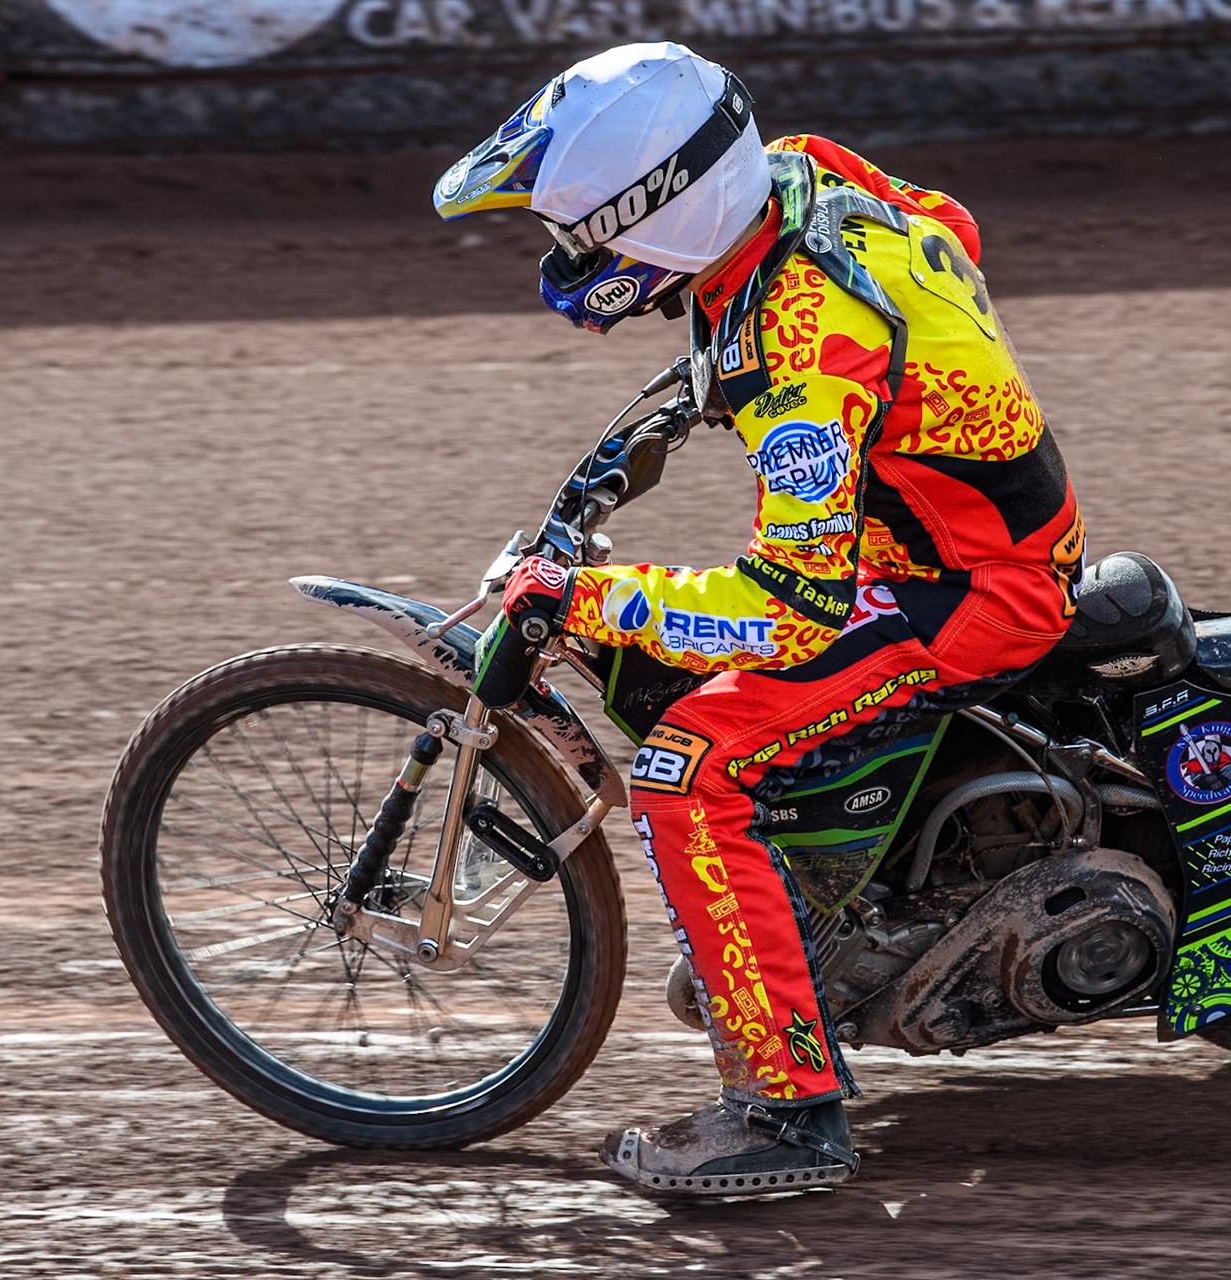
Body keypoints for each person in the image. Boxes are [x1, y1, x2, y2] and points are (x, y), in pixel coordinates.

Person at [434, 41, 1084, 1196]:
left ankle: (787, 1113)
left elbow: (793, 600)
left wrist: (586, 594)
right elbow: (953, 228)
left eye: (582, 229)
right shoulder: (798, 174)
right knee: (673, 657)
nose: (570, 253)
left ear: (660, 213)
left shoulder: (807, 345)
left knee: (690, 770)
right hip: (952, 533)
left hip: (968, 590)